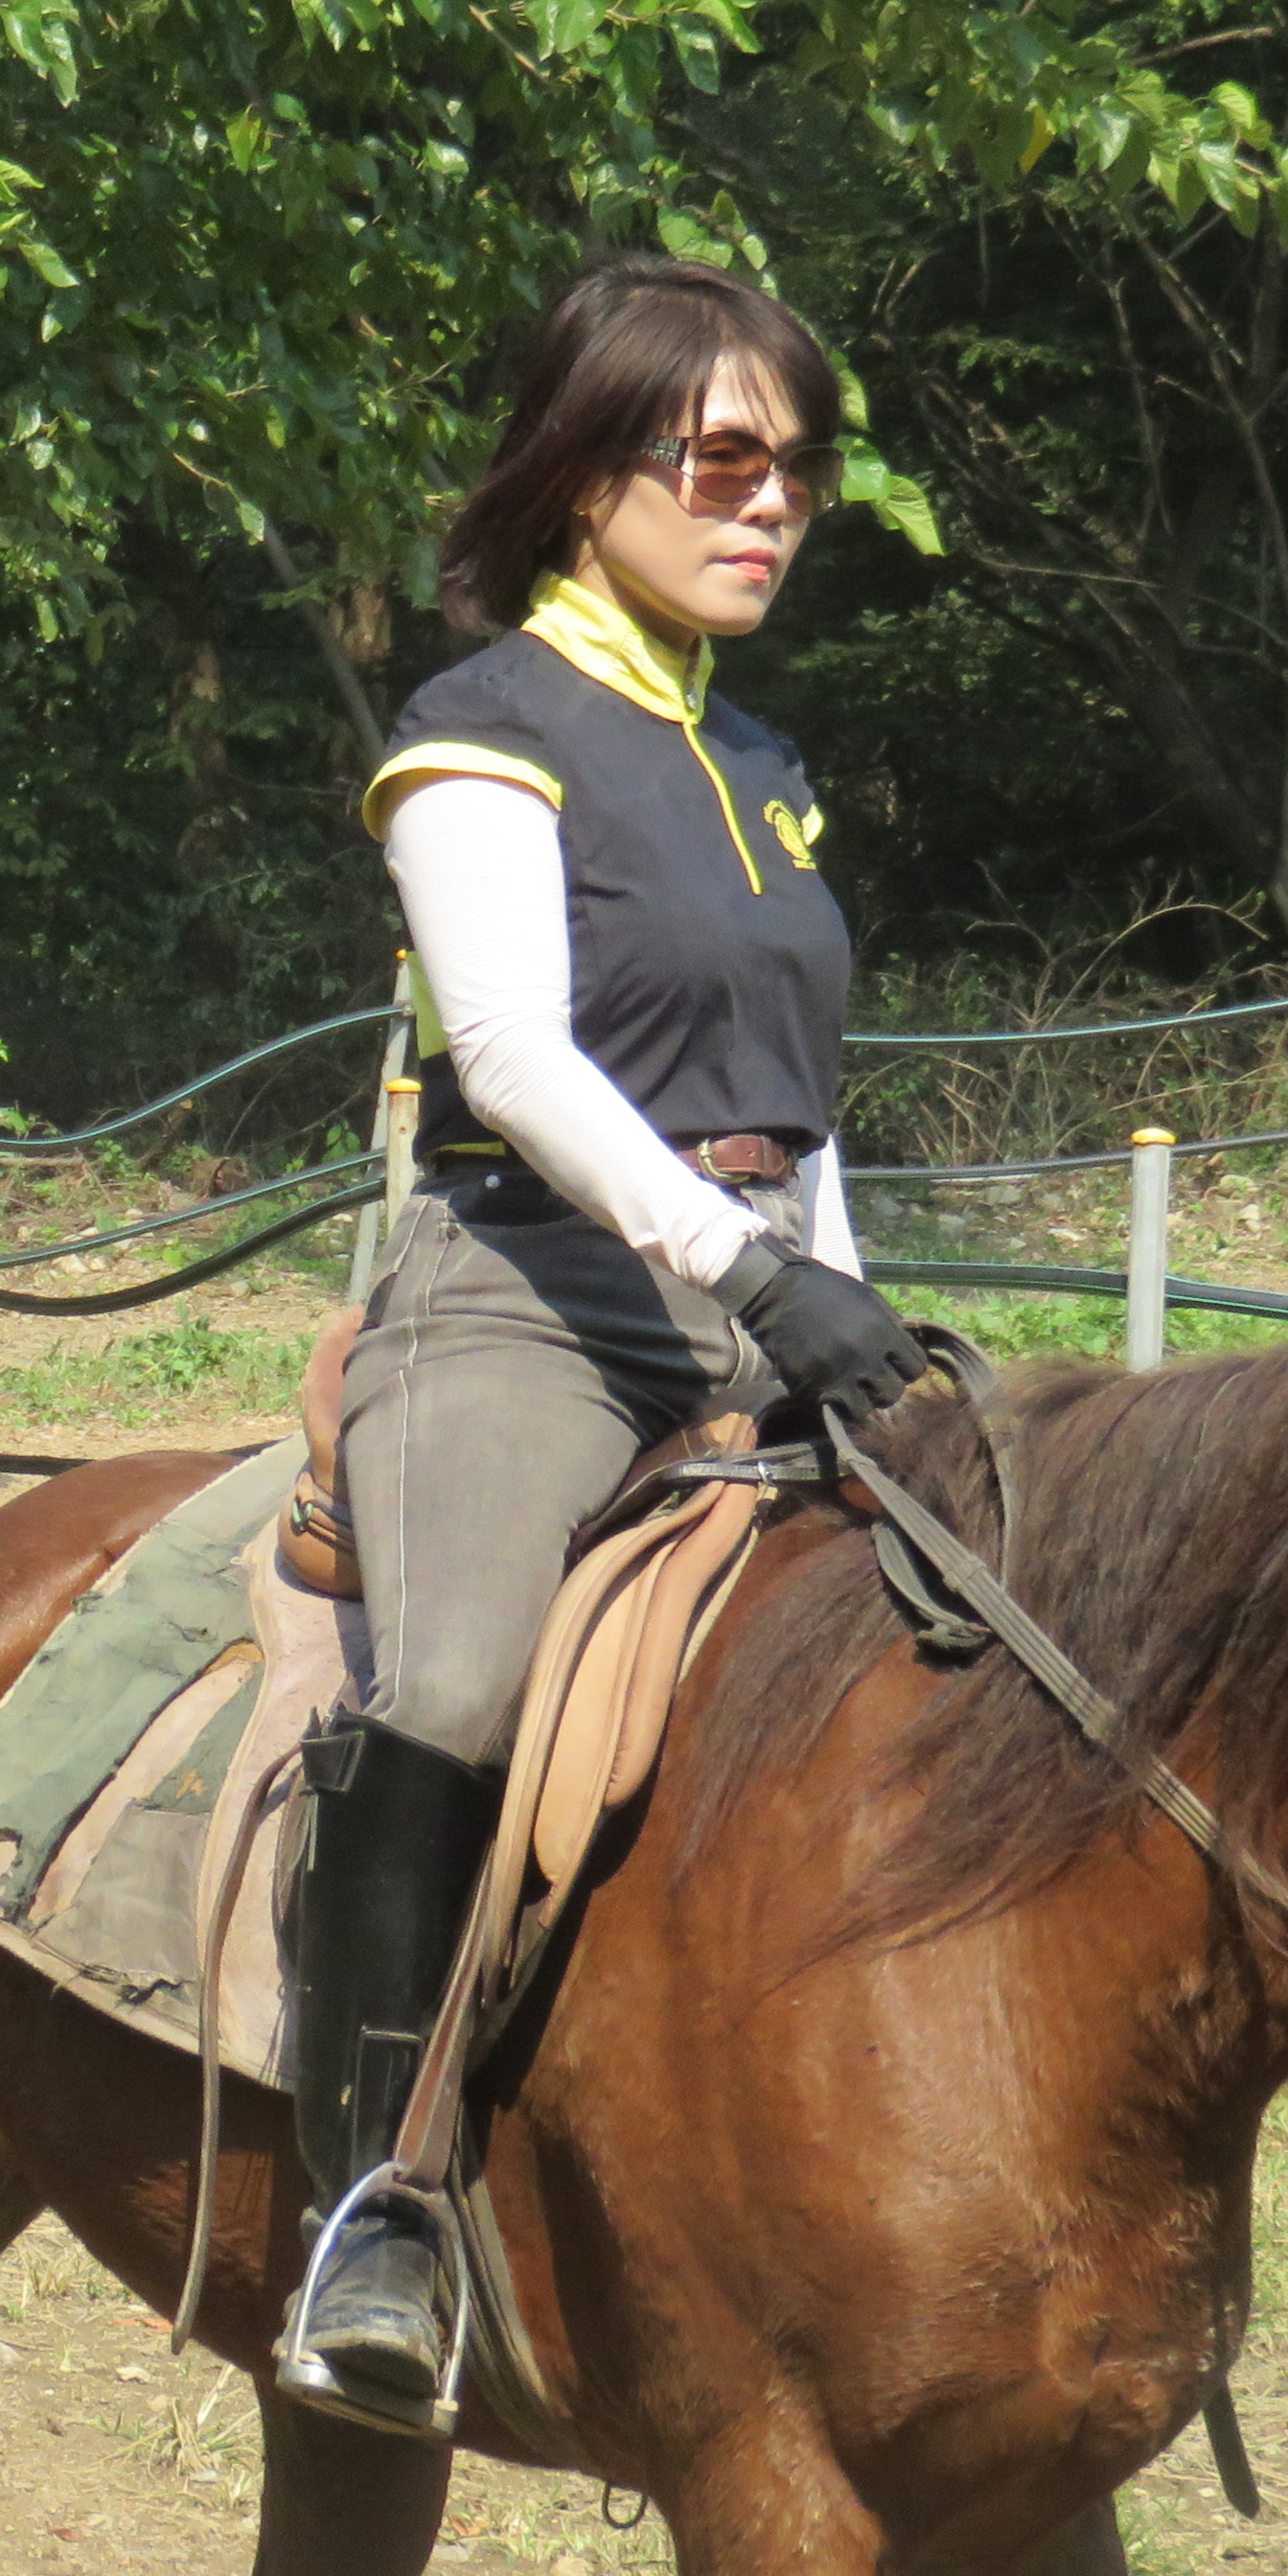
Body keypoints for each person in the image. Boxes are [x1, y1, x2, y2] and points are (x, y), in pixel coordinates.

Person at [286, 256, 928, 2432]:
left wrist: (841, 1300)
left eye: (801, 466)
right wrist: (749, 1275)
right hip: (528, 1299)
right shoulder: (482, 727)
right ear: (587, 474)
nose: (774, 503)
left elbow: (793, 1096)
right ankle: (372, 2202)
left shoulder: (758, 760)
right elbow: (515, 1059)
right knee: (457, 1683)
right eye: (726, 457)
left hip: (758, 1289)